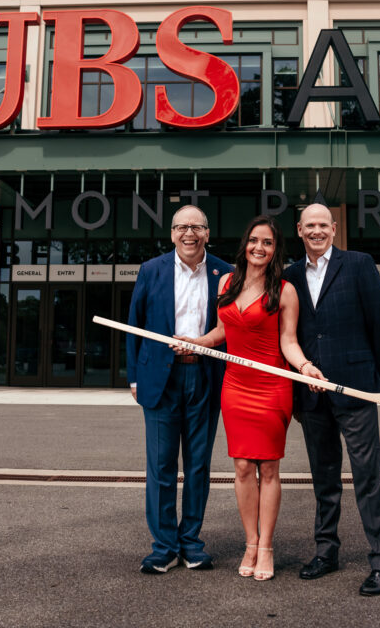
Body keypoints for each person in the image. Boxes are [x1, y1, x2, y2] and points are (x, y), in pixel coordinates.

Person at [180, 216, 324, 582]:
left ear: (276, 251)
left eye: (268, 243)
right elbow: (220, 333)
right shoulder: (227, 282)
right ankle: (250, 542)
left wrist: (305, 367)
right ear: (245, 244)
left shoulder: (285, 290)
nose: (259, 248)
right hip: (236, 386)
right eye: (254, 240)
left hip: (272, 387)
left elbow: (288, 342)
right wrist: (193, 342)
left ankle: (267, 548)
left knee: (269, 469)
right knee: (242, 467)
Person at [282, 203, 380, 596]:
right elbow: (289, 334)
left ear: (333, 228)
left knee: (368, 478)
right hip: (312, 397)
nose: (316, 231)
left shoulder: (359, 264)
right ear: (299, 230)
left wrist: (376, 381)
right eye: (309, 225)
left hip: (356, 389)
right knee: (324, 478)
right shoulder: (290, 275)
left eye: (322, 225)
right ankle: (326, 551)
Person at [126, 205, 232, 574]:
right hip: (160, 381)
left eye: (197, 227)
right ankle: (163, 547)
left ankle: (192, 544)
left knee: (199, 466)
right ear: (172, 234)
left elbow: (233, 328)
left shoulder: (226, 274)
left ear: (207, 233)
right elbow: (134, 324)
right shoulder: (151, 270)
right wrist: (135, 379)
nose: (190, 233)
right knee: (160, 467)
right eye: (182, 227)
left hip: (204, 377)